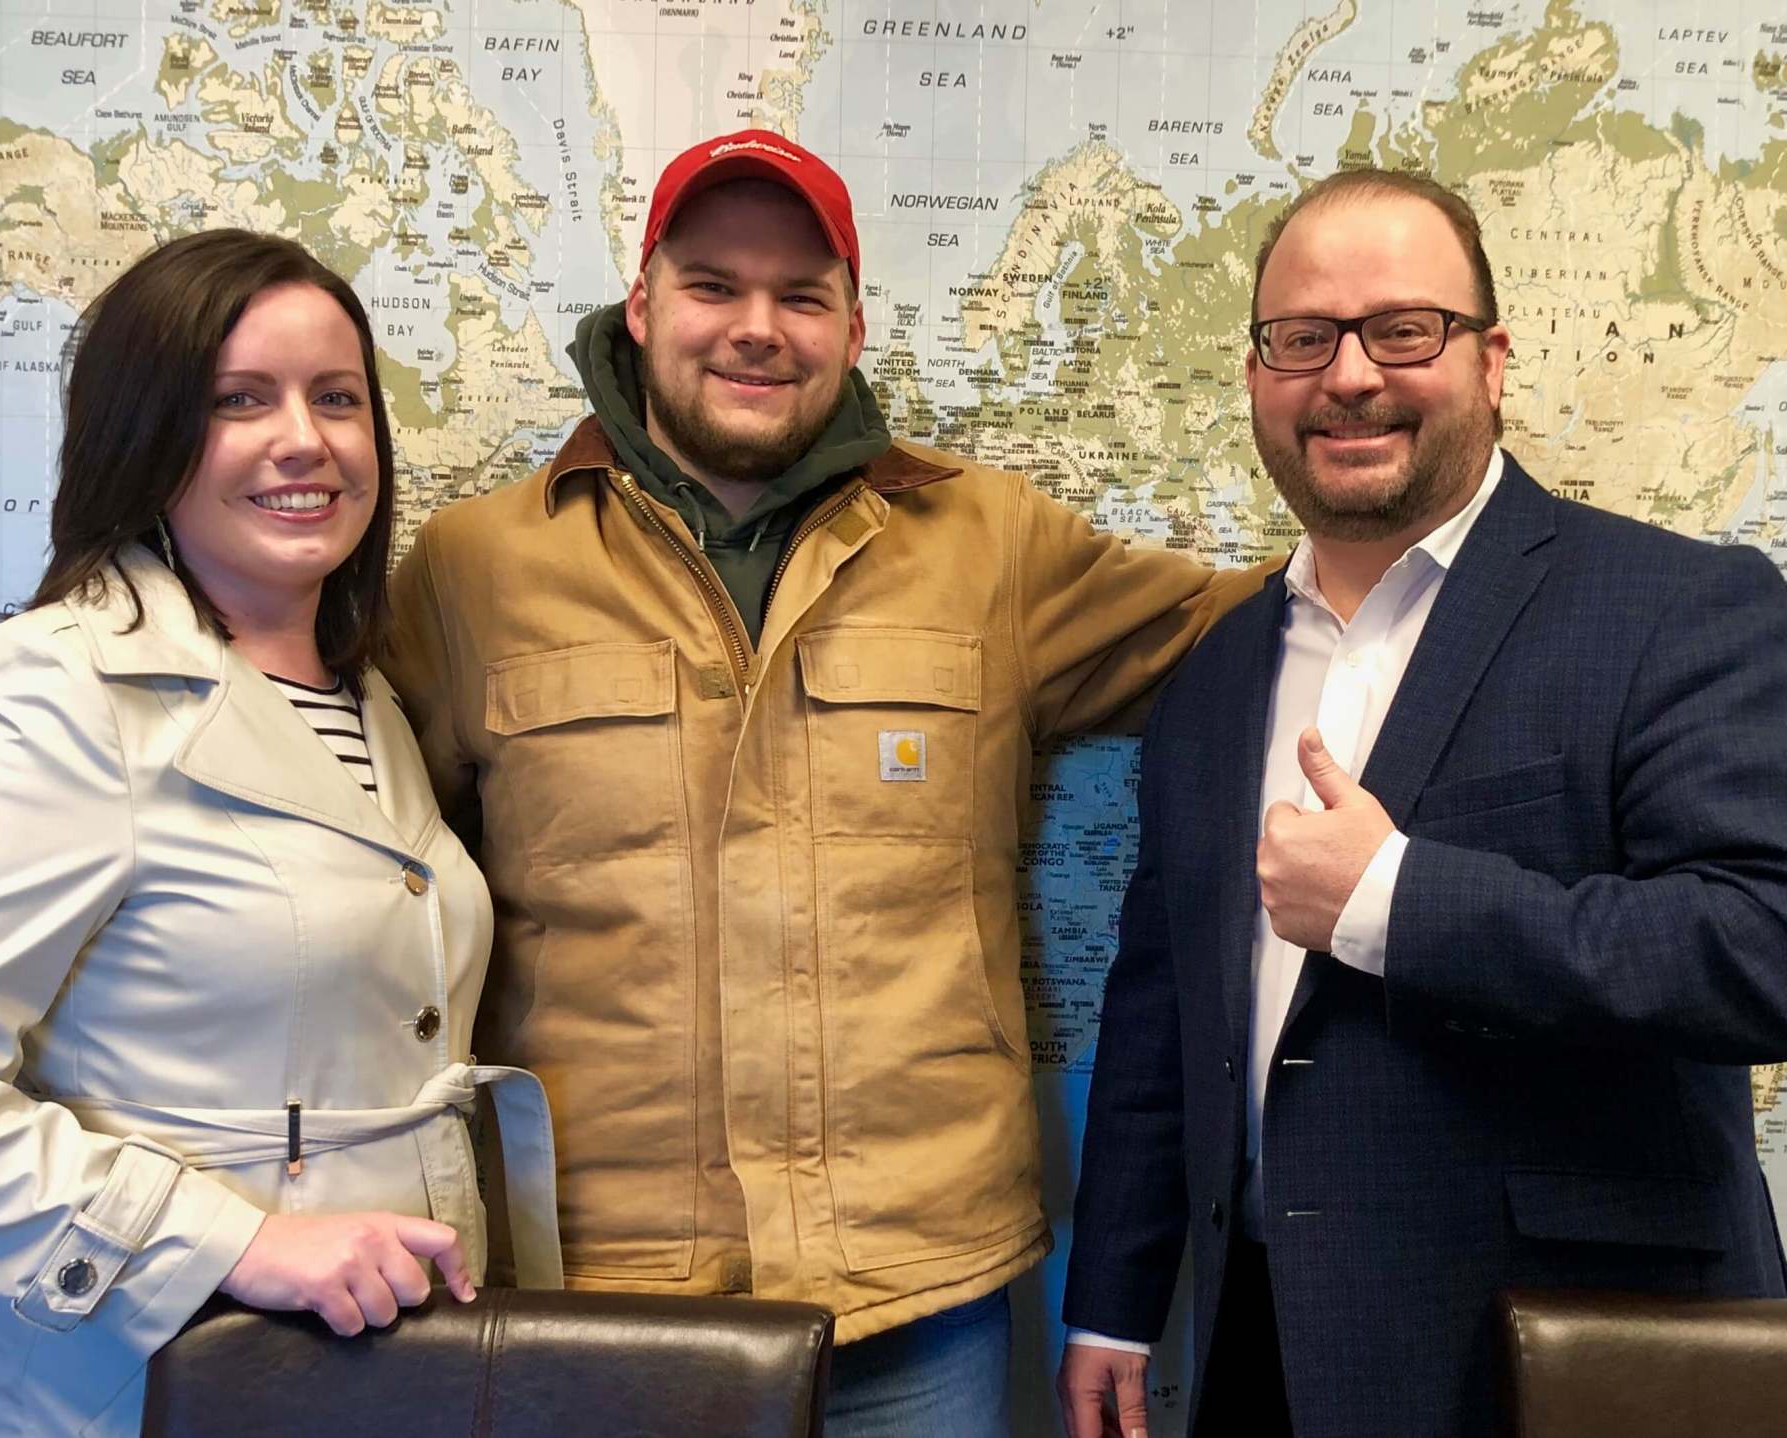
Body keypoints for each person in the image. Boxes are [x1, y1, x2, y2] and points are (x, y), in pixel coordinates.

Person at [381, 129, 1268, 1435]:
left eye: (802, 295)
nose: (757, 328)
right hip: (596, 1295)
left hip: (916, 1293)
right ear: (641, 306)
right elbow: (344, 836)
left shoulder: (990, 542)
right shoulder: (474, 570)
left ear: (853, 328)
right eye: (713, 287)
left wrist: (1476, 581)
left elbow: (1257, 629)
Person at [1058, 168, 1787, 1438]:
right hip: (1269, 1352)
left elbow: (1759, 948)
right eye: (1304, 338)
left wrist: (1395, 899)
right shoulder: (1217, 671)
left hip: (1567, 1359)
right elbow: (1162, 1004)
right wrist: (1113, 1301)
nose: (1349, 376)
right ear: (1255, 376)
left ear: (1492, 359)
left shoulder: (1680, 610)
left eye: (1404, 330)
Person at [0, 230, 558, 1438]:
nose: (306, 439)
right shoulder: (58, 689)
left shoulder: (368, 697)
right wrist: (235, 1243)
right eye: (240, 400)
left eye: (337, 398)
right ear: (147, 436)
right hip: (129, 1396)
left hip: (376, 1386)